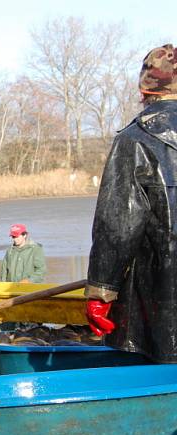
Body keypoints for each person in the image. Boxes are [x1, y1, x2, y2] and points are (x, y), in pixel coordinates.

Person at [84, 44, 177, 363]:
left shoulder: (135, 139)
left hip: (162, 290)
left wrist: (100, 290)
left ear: (144, 89)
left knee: (164, 377)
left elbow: (118, 225)